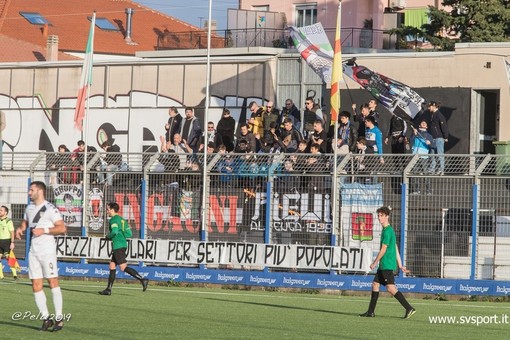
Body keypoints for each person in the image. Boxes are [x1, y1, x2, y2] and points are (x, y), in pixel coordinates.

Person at [14, 181, 67, 331]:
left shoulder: (50, 209)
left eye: (32, 190)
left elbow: (62, 228)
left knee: (52, 281)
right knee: (36, 285)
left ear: (40, 191)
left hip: (47, 250)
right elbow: (26, 221)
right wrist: (20, 228)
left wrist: (44, 230)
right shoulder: (29, 208)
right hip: (33, 251)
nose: (29, 193)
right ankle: (46, 319)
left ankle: (59, 319)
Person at [360, 206, 416, 319]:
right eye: (379, 216)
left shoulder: (388, 231)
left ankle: (409, 308)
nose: (380, 218)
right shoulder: (387, 230)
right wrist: (400, 265)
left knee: (391, 288)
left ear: (387, 217)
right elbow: (395, 248)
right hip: (383, 265)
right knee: (375, 284)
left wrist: (375, 262)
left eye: (382, 216)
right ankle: (370, 312)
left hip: (386, 265)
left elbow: (383, 249)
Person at [99, 202, 149, 296]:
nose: (107, 211)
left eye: (108, 209)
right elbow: (129, 234)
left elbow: (114, 232)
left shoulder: (113, 220)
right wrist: (121, 236)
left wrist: (108, 237)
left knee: (123, 267)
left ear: (112, 210)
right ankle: (108, 289)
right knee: (112, 266)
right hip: (122, 244)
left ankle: (143, 279)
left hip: (118, 246)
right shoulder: (122, 220)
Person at [410, 120, 433, 195]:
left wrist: (430, 143)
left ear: (426, 126)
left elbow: (433, 146)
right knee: (415, 173)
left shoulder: (429, 135)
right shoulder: (415, 133)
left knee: (425, 173)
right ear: (419, 125)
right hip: (415, 156)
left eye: (425, 123)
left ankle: (428, 191)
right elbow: (411, 141)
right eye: (422, 122)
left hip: (424, 156)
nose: (423, 123)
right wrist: (414, 134)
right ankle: (416, 190)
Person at [428, 101, 449, 175]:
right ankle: (432, 169)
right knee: (432, 154)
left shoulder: (439, 115)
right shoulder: (433, 115)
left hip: (439, 137)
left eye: (430, 106)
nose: (428, 108)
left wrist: (445, 136)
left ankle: (441, 170)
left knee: (440, 154)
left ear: (434, 106)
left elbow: (444, 126)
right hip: (433, 138)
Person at [0, 205, 17, 280]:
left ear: (5, 212)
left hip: (6, 241)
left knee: (8, 258)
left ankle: (15, 275)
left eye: (1, 210)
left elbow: (12, 232)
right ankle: (1, 276)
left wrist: (12, 242)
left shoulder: (8, 221)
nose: (0, 211)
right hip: (0, 241)